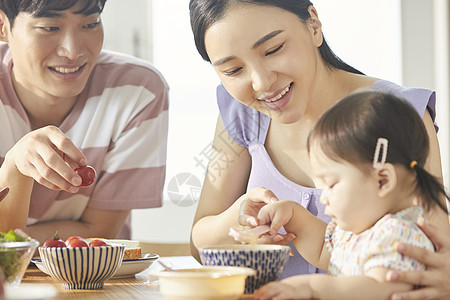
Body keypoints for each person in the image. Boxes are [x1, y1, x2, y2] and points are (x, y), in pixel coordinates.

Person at [188, 0, 450, 290]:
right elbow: (199, 245)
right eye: (233, 70)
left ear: (313, 24)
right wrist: (238, 219)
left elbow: (437, 259)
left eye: (273, 49)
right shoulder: (241, 114)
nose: (261, 83)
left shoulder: (398, 113)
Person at [247, 91, 449, 299]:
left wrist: (311, 288)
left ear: (383, 181)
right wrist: (292, 215)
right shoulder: (355, 232)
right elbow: (322, 251)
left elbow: (378, 288)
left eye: (332, 184)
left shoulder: (399, 234)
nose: (324, 197)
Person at [0, 0, 169, 243]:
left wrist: (14, 242)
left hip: (89, 278)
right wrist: (14, 165)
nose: (73, 51)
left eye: (90, 24)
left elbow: (100, 231)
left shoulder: (136, 91)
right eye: (49, 28)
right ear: (2, 25)